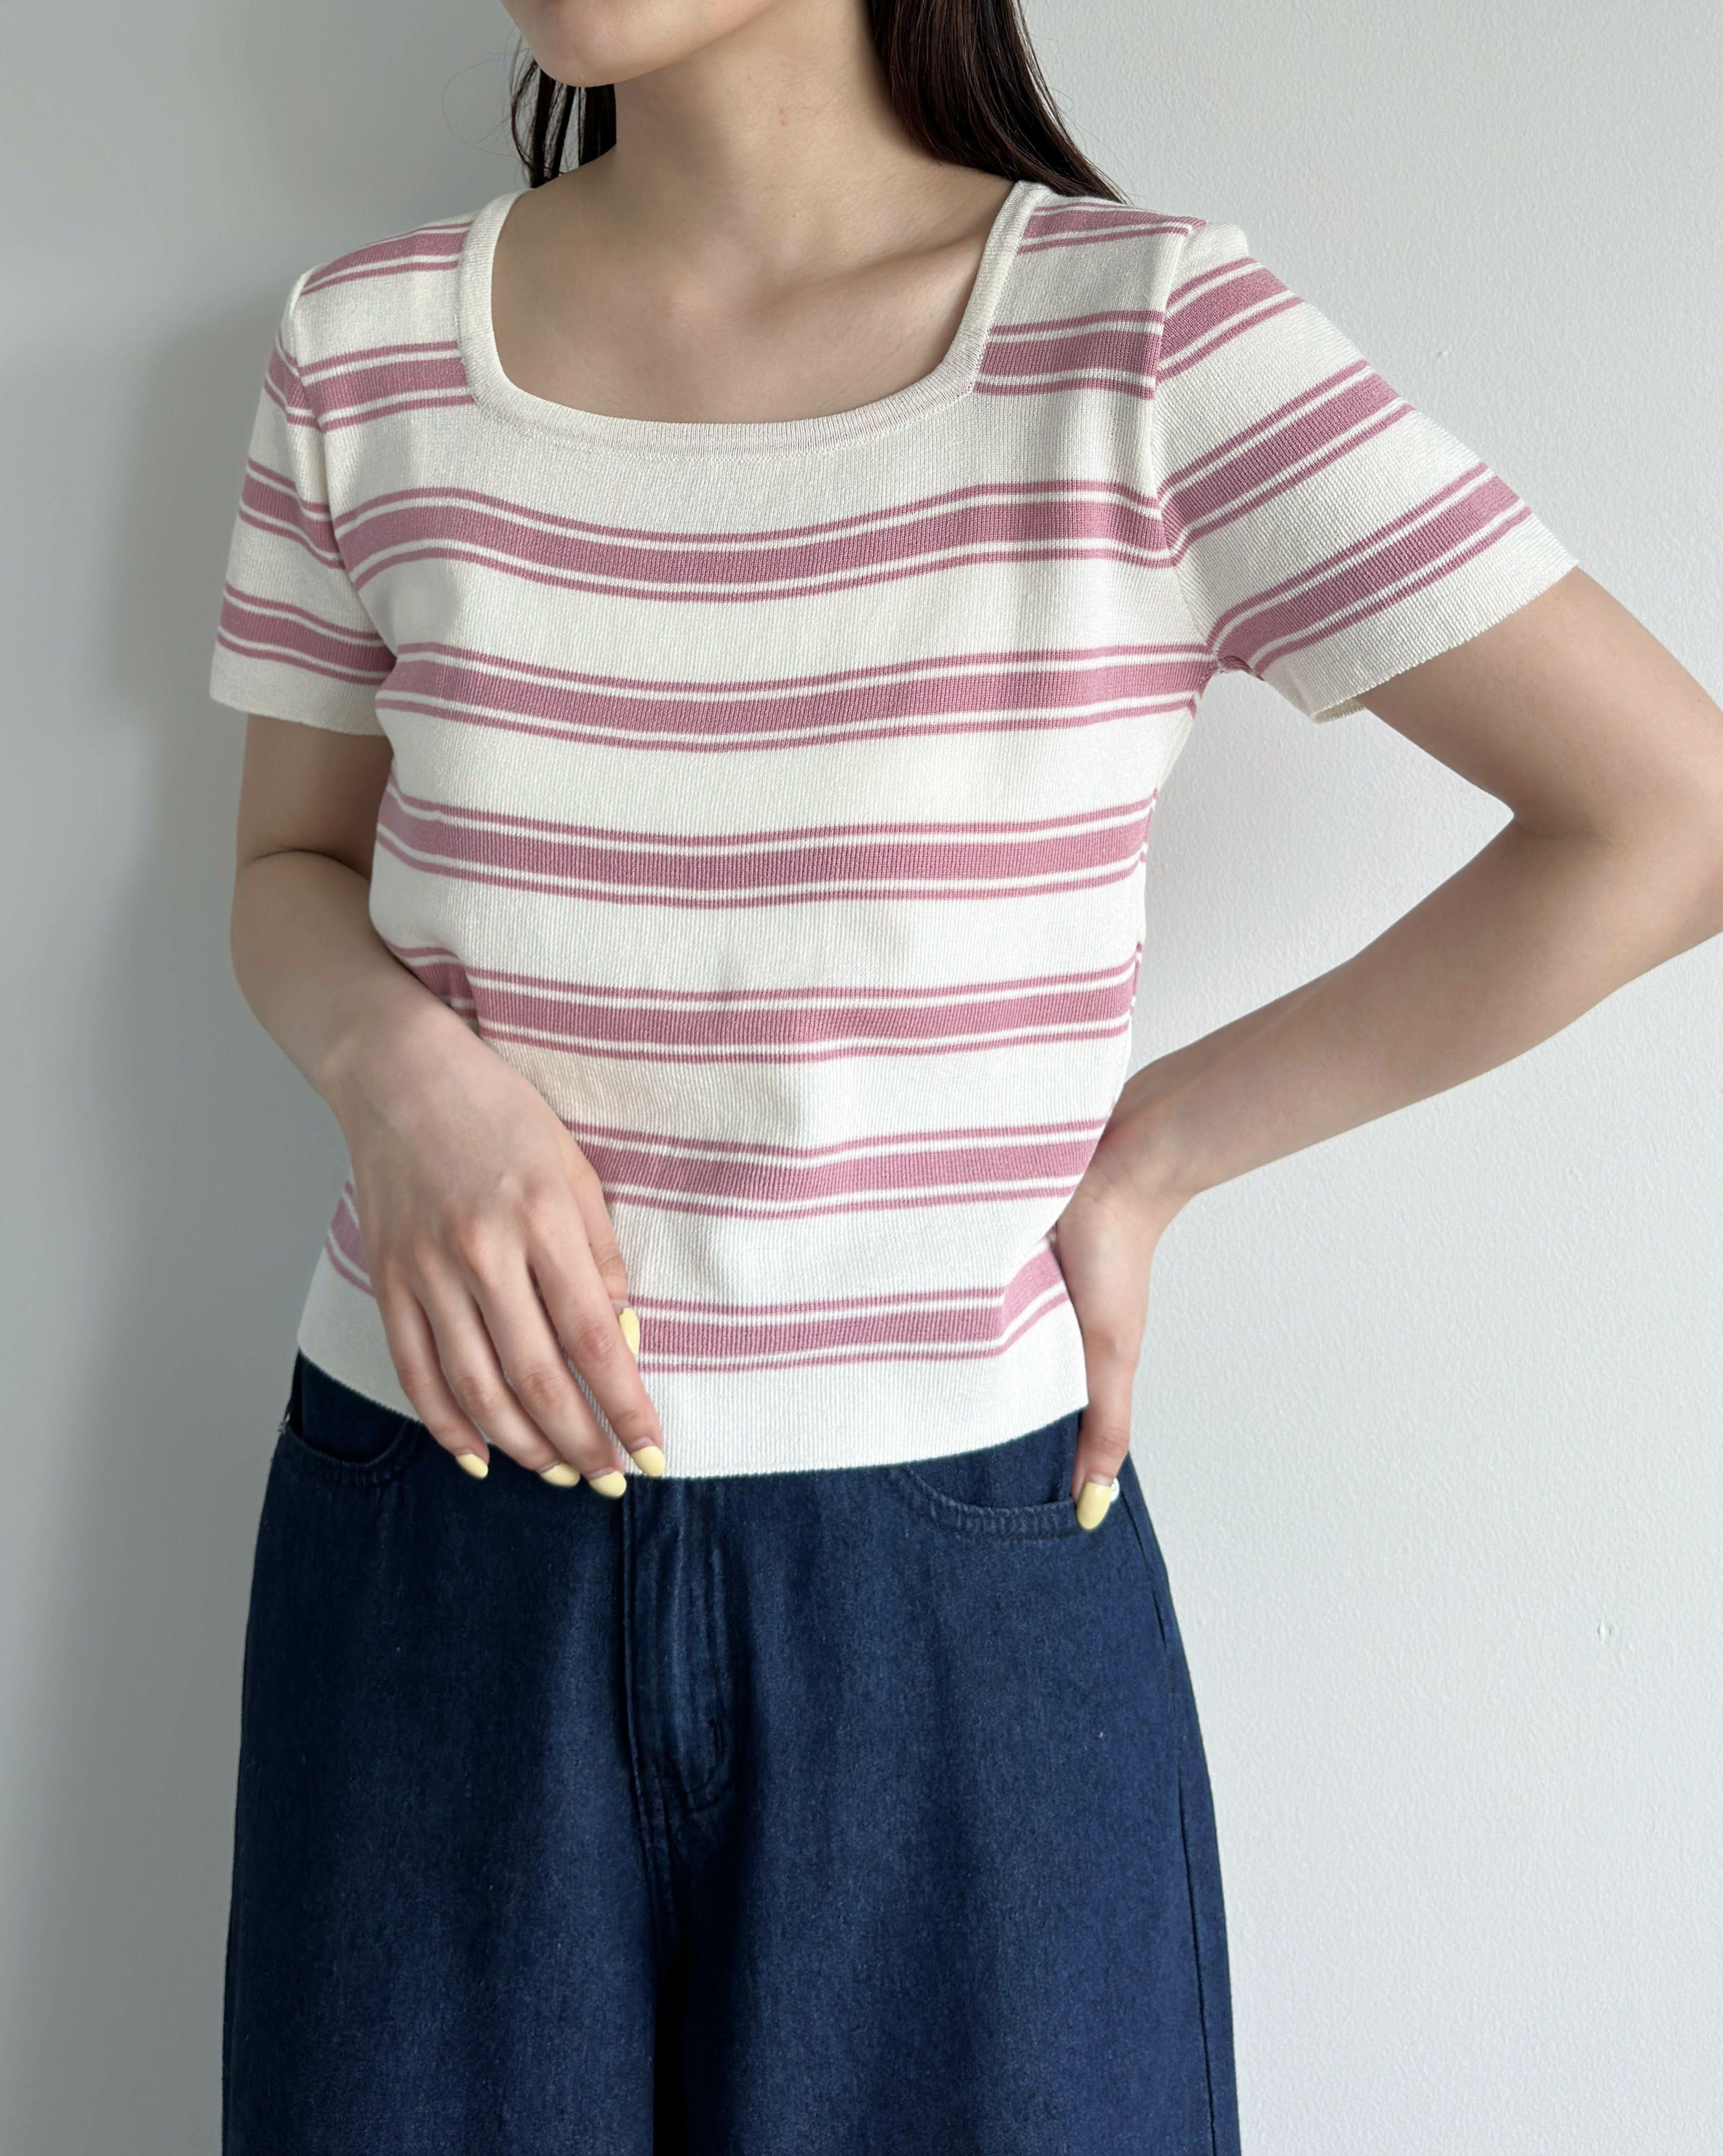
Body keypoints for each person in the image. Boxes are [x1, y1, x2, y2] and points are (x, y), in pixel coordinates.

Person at [208, 1, 1723, 2150]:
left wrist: (1154, 1155)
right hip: (429, 1529)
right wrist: (399, 1075)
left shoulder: (1142, 343)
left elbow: (1669, 815)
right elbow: (285, 870)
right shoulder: (362, 348)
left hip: (949, 1585)